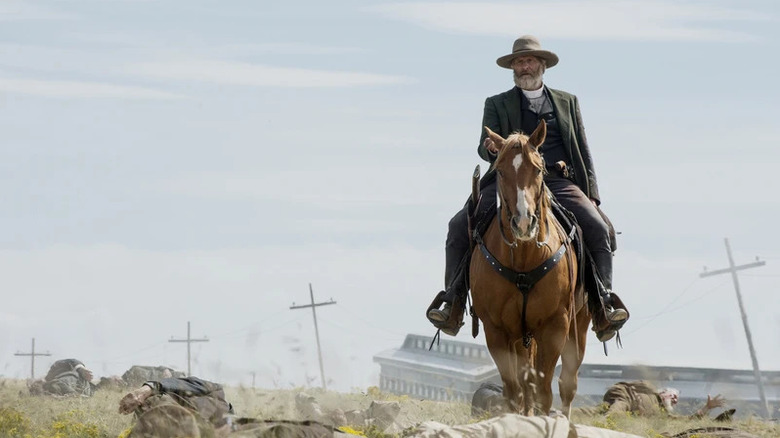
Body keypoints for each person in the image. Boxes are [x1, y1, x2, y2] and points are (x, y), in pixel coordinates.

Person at [426, 35, 628, 341]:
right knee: (458, 226)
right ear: (513, 68)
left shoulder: (568, 102)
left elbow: (583, 151)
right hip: (508, 180)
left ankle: (603, 304)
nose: (524, 66)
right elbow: (485, 150)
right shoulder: (496, 103)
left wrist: (592, 196)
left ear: (542, 65)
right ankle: (452, 303)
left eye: (530, 60)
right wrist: (491, 150)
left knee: (598, 228)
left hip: (558, 180)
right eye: (519, 62)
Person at [601, 380, 731, 420]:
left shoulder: (662, 414)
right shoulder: (649, 387)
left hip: (620, 409)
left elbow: (687, 420)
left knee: (592, 411)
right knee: (619, 408)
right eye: (672, 395)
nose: (674, 399)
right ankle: (607, 420)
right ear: (662, 391)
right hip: (623, 397)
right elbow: (623, 386)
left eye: (676, 399)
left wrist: (707, 407)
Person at [29, 358, 96, 397]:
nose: (36, 384)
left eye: (36, 382)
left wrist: (80, 368)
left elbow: (70, 361)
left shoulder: (54, 369)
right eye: (35, 385)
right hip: (84, 390)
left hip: (83, 384)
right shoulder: (49, 389)